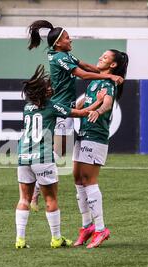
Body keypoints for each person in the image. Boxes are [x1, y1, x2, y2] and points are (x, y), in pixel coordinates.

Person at [27, 20, 124, 212]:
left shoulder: (65, 54)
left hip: (66, 106)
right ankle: (34, 189)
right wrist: (109, 76)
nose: (70, 39)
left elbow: (87, 66)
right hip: (62, 108)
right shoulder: (59, 58)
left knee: (59, 153)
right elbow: (83, 75)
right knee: (57, 153)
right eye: (66, 37)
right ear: (58, 43)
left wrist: (105, 69)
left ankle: (35, 187)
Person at [15, 64, 106, 249]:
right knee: (51, 200)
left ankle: (20, 239)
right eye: (48, 87)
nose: (52, 88)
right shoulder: (51, 106)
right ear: (43, 92)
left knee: (23, 199)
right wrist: (98, 102)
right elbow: (80, 113)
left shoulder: (27, 108)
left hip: (23, 156)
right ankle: (56, 238)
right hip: (42, 157)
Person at [72, 49, 129, 249]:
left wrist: (98, 110)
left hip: (96, 136)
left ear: (113, 65)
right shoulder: (96, 79)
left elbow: (107, 102)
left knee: (89, 180)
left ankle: (101, 229)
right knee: (78, 179)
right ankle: (86, 226)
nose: (100, 58)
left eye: (105, 57)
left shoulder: (109, 82)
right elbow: (84, 100)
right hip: (83, 133)